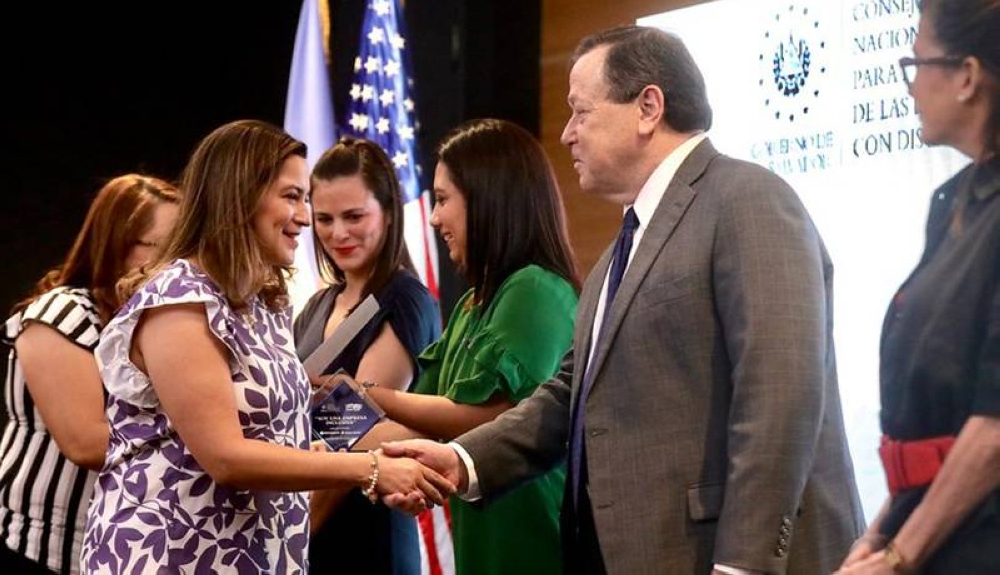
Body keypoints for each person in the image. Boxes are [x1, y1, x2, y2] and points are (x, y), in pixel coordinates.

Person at [383, 26, 866, 575]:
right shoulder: (621, 248)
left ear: (648, 108)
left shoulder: (747, 198)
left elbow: (782, 392)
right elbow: (569, 396)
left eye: (581, 113)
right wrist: (461, 460)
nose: (566, 134)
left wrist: (745, 564)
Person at [78, 120, 453, 574]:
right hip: (174, 556)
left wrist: (450, 445)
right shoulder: (181, 299)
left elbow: (318, 426)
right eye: (293, 197)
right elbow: (226, 457)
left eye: (307, 200)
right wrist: (367, 467)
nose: (309, 219)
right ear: (239, 197)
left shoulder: (266, 302)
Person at [363, 118, 580, 575]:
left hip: (528, 534)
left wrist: (364, 395)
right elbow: (427, 419)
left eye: (443, 200)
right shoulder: (470, 304)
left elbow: (491, 417)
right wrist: (351, 449)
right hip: (481, 525)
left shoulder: (534, 289)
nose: (435, 217)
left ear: (488, 200)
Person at [836, 1, 1000, 574]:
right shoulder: (953, 202)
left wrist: (901, 555)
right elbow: (926, 431)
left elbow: (993, 428)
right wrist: (882, 532)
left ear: (967, 77)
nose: (908, 86)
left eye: (915, 63)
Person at [0, 174, 179, 574]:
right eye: (157, 247)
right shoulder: (63, 315)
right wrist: (211, 445)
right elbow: (86, 442)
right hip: (44, 545)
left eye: (181, 249)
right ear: (115, 244)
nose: (172, 264)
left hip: (121, 548)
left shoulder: (160, 324)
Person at [293, 137, 441, 574]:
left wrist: (297, 535)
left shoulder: (404, 298)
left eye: (354, 216)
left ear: (389, 211)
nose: (338, 233)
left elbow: (356, 427)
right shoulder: (317, 305)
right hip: (308, 515)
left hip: (366, 532)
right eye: (324, 219)